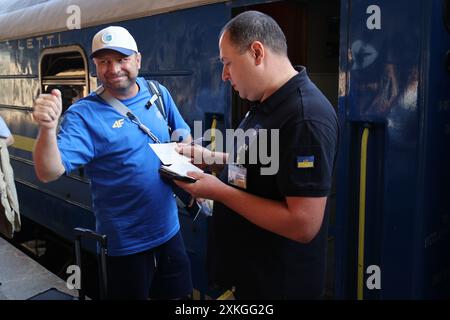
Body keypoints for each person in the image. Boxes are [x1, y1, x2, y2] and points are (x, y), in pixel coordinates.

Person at [175, 11, 339, 299]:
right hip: (249, 278)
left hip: (278, 286)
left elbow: (303, 224)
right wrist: (212, 158)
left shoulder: (305, 117)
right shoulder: (266, 102)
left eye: (227, 63)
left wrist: (219, 192)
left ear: (257, 52)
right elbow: (267, 162)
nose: (224, 75)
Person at [32, 26, 193, 300]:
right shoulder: (83, 115)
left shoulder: (158, 94)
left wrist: (188, 167)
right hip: (125, 245)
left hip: (170, 233)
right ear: (95, 66)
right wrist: (47, 129)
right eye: (104, 61)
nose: (113, 68)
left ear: (138, 60)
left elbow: (183, 136)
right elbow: (48, 172)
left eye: (121, 59)